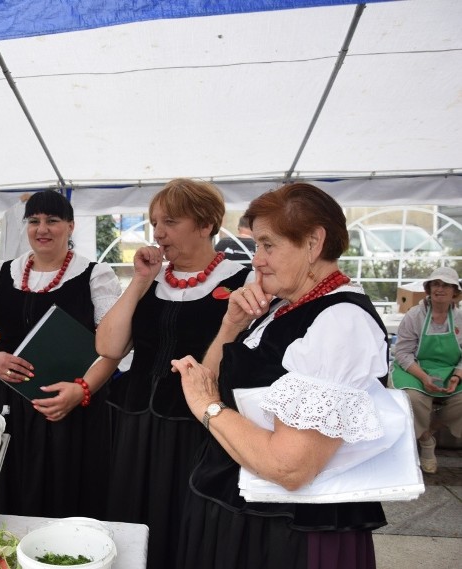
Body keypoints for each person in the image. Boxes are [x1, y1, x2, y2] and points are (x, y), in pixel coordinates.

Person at [172, 182, 390, 568]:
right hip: (250, 510)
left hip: (290, 534)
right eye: (257, 246)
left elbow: (290, 468)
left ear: (313, 242)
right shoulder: (282, 308)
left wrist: (209, 409)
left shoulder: (340, 322)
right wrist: (231, 325)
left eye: (267, 245)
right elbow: (210, 380)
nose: (256, 260)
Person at [95, 178, 252, 568]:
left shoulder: (242, 281)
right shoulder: (151, 280)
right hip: (135, 424)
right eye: (154, 223)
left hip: (195, 427)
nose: (158, 233)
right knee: (130, 517)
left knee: (183, 522)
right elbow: (108, 348)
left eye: (170, 222)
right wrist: (139, 282)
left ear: (206, 224)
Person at [0, 190, 122, 519]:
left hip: (67, 402)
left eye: (52, 221)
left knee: (66, 487)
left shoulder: (95, 275)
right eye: (34, 221)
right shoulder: (5, 271)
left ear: (70, 226)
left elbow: (113, 349)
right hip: (8, 399)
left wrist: (81, 391)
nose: (42, 228)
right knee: (9, 484)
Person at [391, 266, 462, 473]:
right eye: (435, 284)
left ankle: (431, 429)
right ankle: (426, 443)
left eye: (446, 285)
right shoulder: (415, 315)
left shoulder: (460, 319)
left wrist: (457, 377)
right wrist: (423, 377)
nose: (440, 289)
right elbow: (403, 353)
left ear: (455, 292)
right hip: (416, 368)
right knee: (411, 398)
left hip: (450, 370)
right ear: (429, 289)